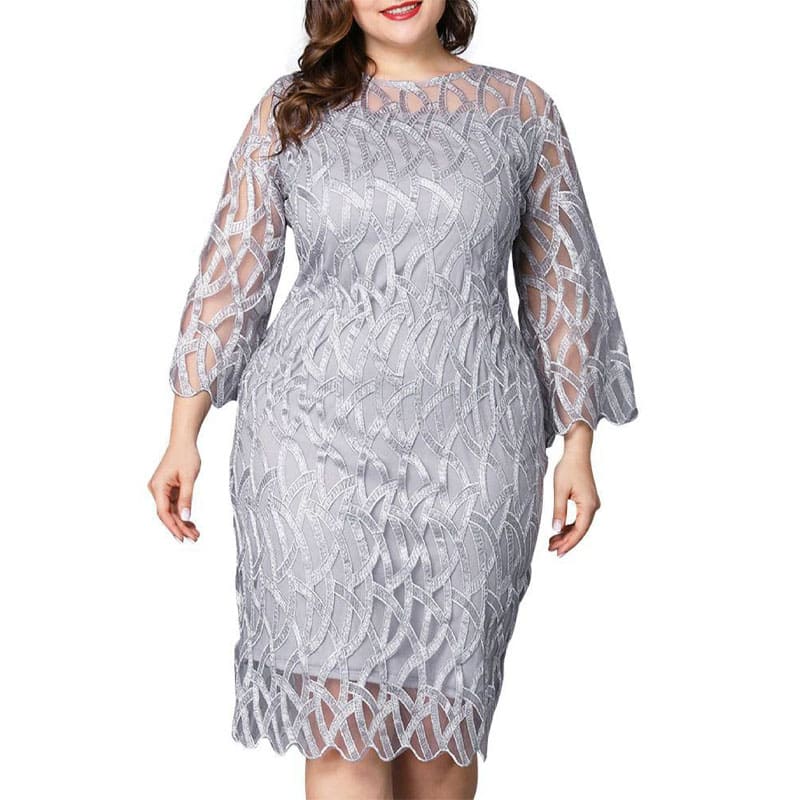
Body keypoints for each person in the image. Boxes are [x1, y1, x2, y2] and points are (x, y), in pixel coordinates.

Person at [147, 1, 639, 797]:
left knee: (442, 738)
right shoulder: (293, 108)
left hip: (472, 447)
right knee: (343, 733)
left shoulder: (520, 110)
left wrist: (578, 443)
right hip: (312, 447)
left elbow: (562, 280)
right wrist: (183, 434)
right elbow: (232, 272)